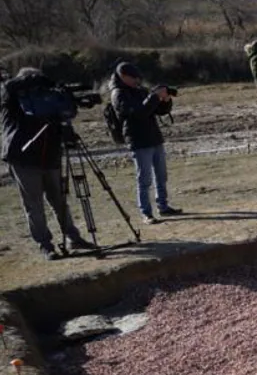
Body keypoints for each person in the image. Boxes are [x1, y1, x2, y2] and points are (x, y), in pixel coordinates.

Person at [1, 67, 96, 259]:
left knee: (59, 198)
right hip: (23, 157)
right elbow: (8, 87)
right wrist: (37, 79)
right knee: (34, 204)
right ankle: (45, 245)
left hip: (50, 154)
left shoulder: (47, 98)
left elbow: (64, 114)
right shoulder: (11, 97)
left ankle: (73, 237)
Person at [108, 62, 181, 224]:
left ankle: (163, 206)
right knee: (144, 179)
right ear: (123, 76)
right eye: (133, 78)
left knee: (161, 176)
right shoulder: (118, 94)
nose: (136, 81)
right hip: (138, 140)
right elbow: (137, 113)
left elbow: (158, 111)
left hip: (154, 137)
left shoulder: (140, 90)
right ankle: (146, 213)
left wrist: (165, 100)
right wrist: (154, 97)